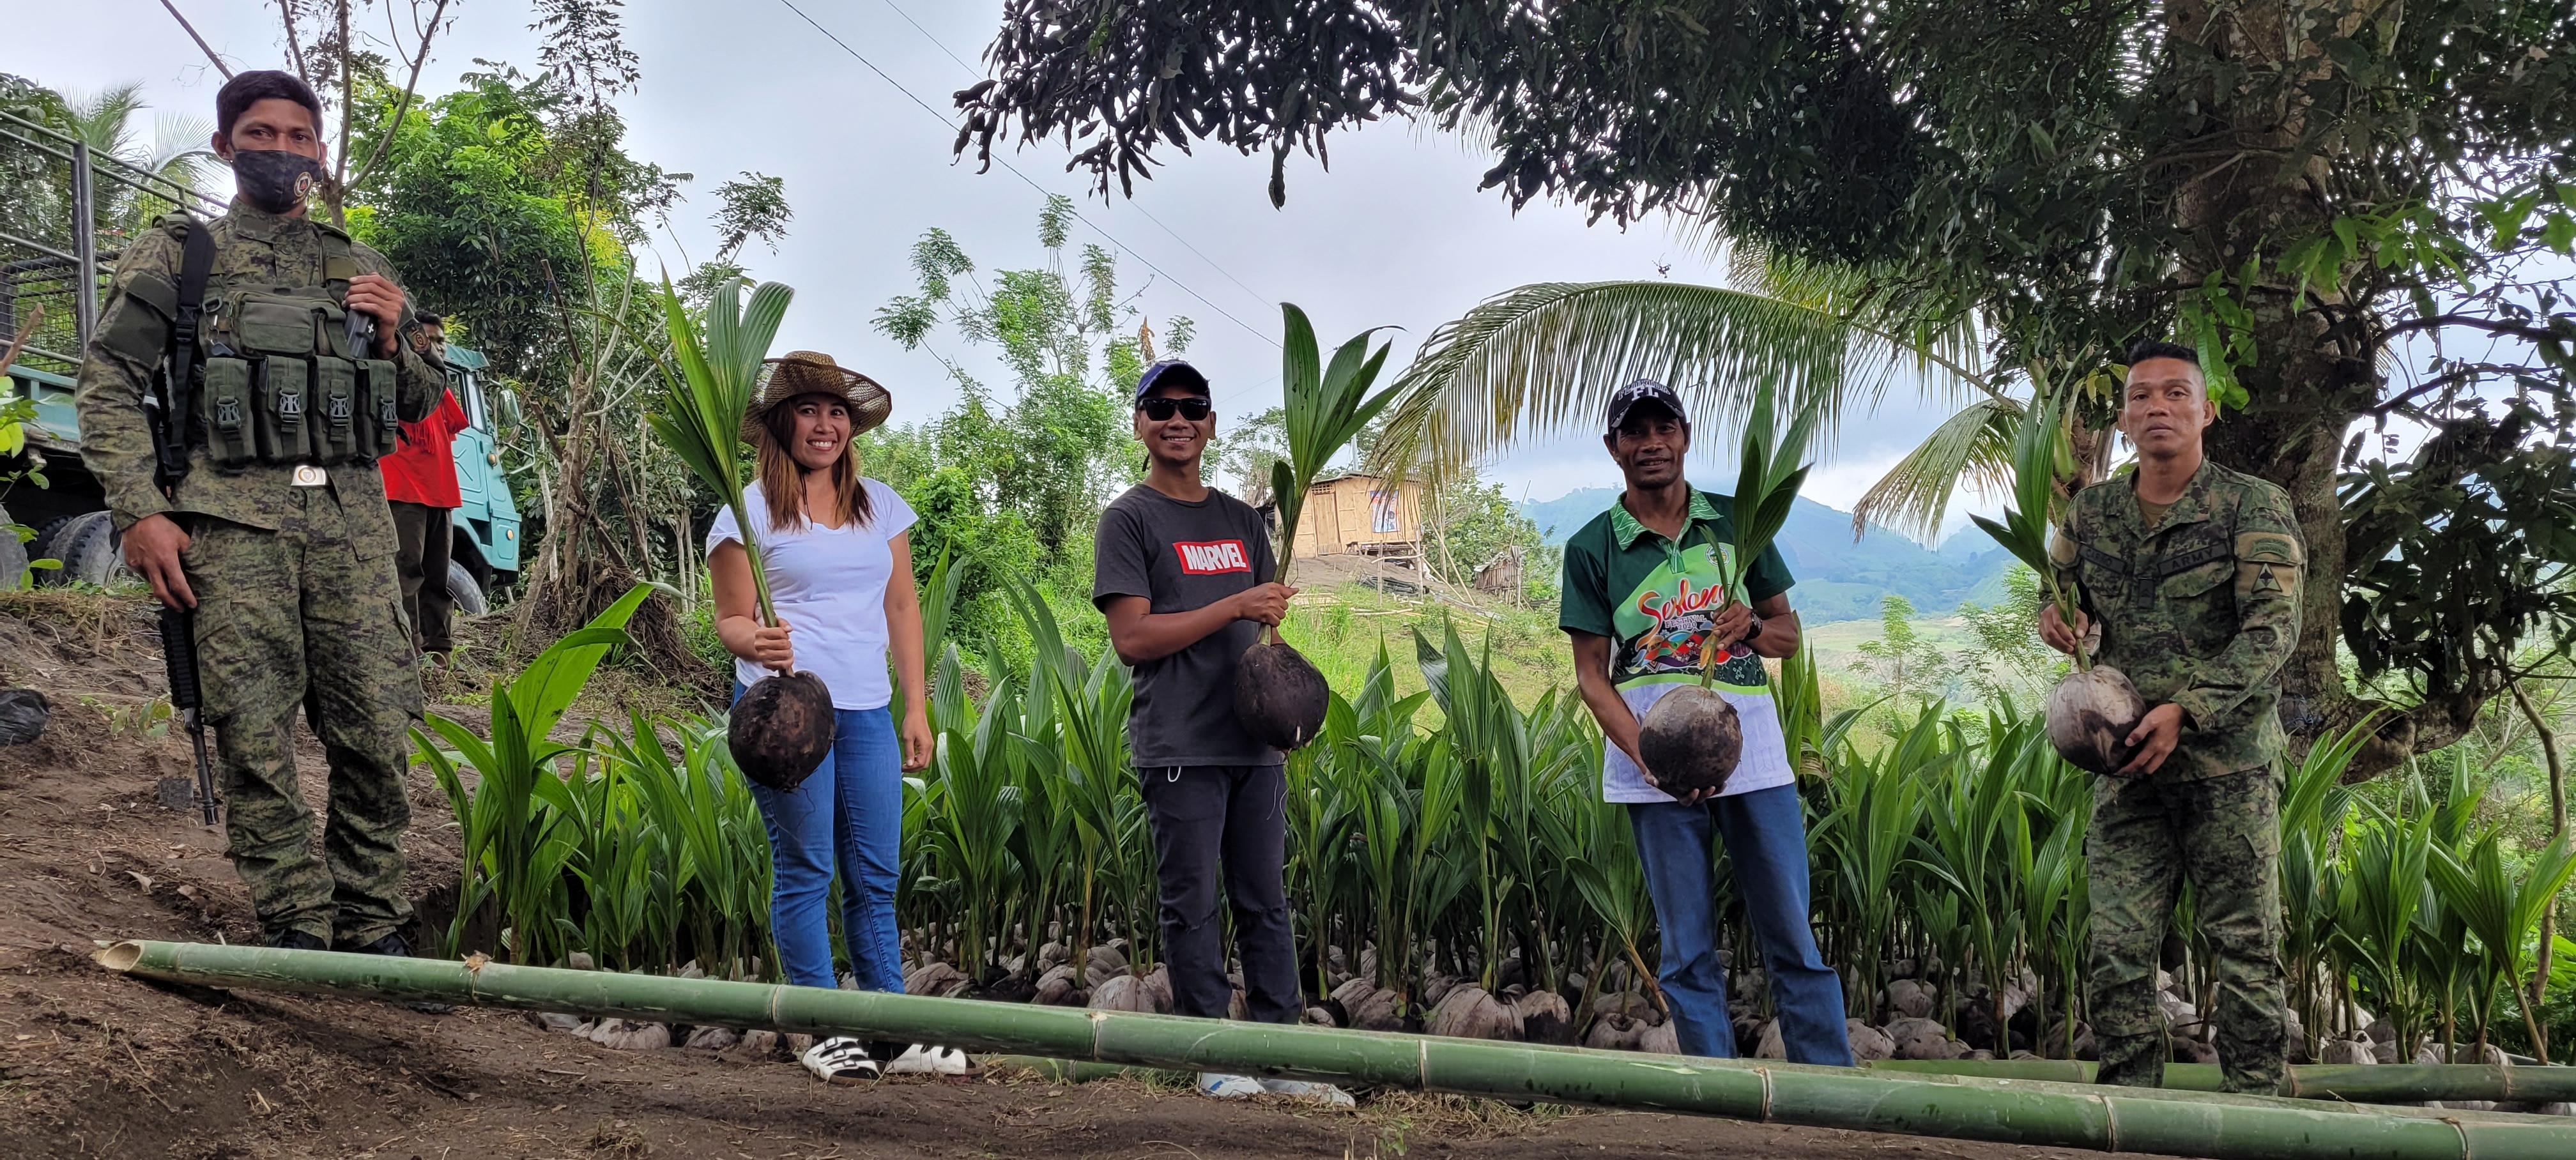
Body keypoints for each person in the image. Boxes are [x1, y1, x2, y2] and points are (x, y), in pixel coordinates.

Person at [74, 70, 445, 956]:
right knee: (252, 732)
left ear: (319, 152)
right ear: (225, 145)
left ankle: (373, 923)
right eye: (260, 134)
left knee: (375, 730)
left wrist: (396, 338)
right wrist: (138, 511)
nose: (280, 151)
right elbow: (109, 384)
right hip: (233, 531)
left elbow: (423, 405)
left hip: (355, 532)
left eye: (296, 136)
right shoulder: (180, 255)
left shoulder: (363, 266)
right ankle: (296, 926)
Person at [1559, 378, 1853, 1065]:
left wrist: (1751, 625)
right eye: (1636, 432)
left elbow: (1787, 634)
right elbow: (1591, 678)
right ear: (1614, 448)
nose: (1651, 443)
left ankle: (1831, 1091)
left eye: (1665, 428)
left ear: (1685, 437)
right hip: (1653, 773)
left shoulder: (1736, 524)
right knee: (1686, 947)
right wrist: (1651, 760)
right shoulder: (1593, 546)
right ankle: (1717, 1101)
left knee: (1791, 936)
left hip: (1753, 765)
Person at [2040, 340, 2303, 1094]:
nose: (2158, 407)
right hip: (2125, 769)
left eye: (2176, 394)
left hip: (2229, 768)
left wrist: (2186, 710)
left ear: (2206, 410)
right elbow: (2057, 593)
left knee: (2246, 947)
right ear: (2123, 420)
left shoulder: (2254, 506)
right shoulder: (2092, 512)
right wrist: (2057, 622)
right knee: (2117, 950)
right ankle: (2130, 1113)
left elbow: (2272, 631)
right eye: (2142, 397)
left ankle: (2258, 1112)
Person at [1092, 359, 1353, 1106]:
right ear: (1140, 422)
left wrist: (1261, 624)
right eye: (1161, 407)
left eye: (1192, 407)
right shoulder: (1130, 519)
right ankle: (1211, 1049)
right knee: (1193, 901)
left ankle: (1280, 1050)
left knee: (1265, 898)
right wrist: (1236, 604)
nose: (1178, 419)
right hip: (1180, 743)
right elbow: (1134, 638)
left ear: (1210, 424)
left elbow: (1261, 619)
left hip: (1253, 745)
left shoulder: (1244, 521)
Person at [705, 351, 966, 1083]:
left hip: (866, 707)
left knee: (875, 873)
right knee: (807, 865)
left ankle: (892, 1023)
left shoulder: (879, 503)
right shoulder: (746, 509)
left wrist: (916, 706)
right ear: (782, 424)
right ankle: (819, 1027)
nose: (825, 425)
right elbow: (729, 618)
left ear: (852, 427)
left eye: (837, 412)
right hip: (787, 712)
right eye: (810, 411)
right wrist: (752, 637)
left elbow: (903, 606)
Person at [381, 312, 470, 663]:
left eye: (440, 342)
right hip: (402, 488)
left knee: (438, 575)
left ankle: (440, 651)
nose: (433, 347)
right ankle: (408, 652)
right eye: (426, 339)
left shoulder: (440, 386)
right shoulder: (397, 377)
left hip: (440, 491)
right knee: (406, 573)